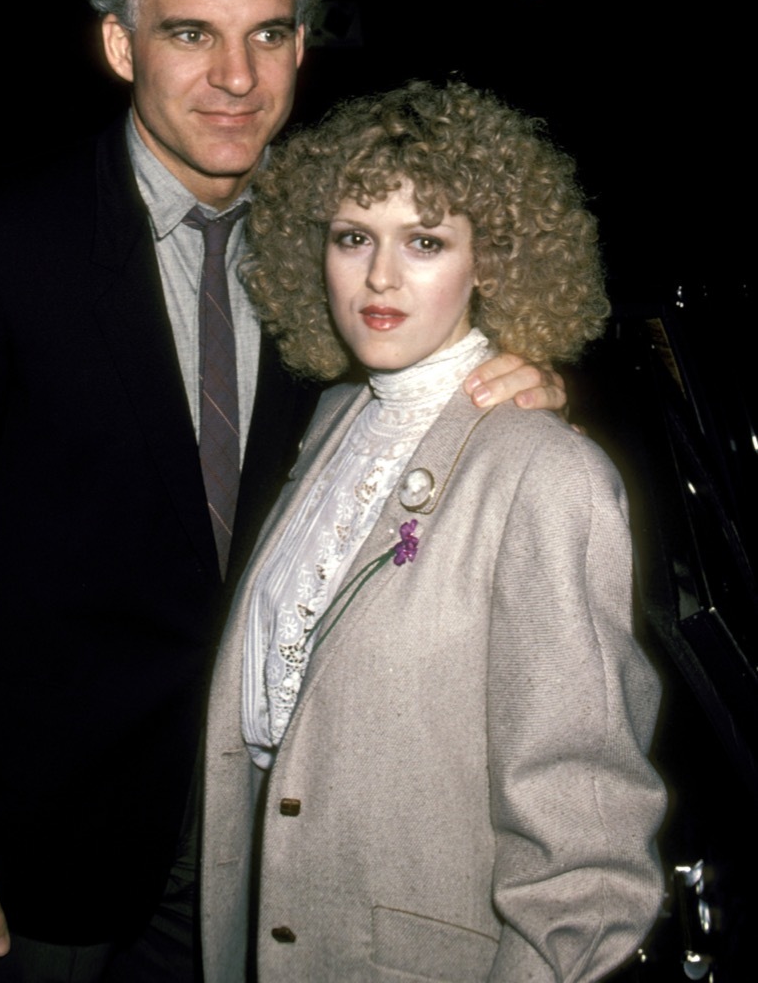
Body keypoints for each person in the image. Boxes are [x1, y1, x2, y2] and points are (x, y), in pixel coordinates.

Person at [0, 0, 566, 983]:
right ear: (120, 43)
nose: (236, 78)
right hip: (41, 841)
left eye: (268, 34)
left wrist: (514, 375)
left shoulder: (345, 247)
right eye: (191, 33)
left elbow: (425, 390)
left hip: (276, 840)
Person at [201, 80, 666, 982]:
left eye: (424, 241)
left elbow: (587, 872)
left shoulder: (547, 475)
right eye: (353, 238)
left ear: (488, 261)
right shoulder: (334, 419)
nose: (380, 277)